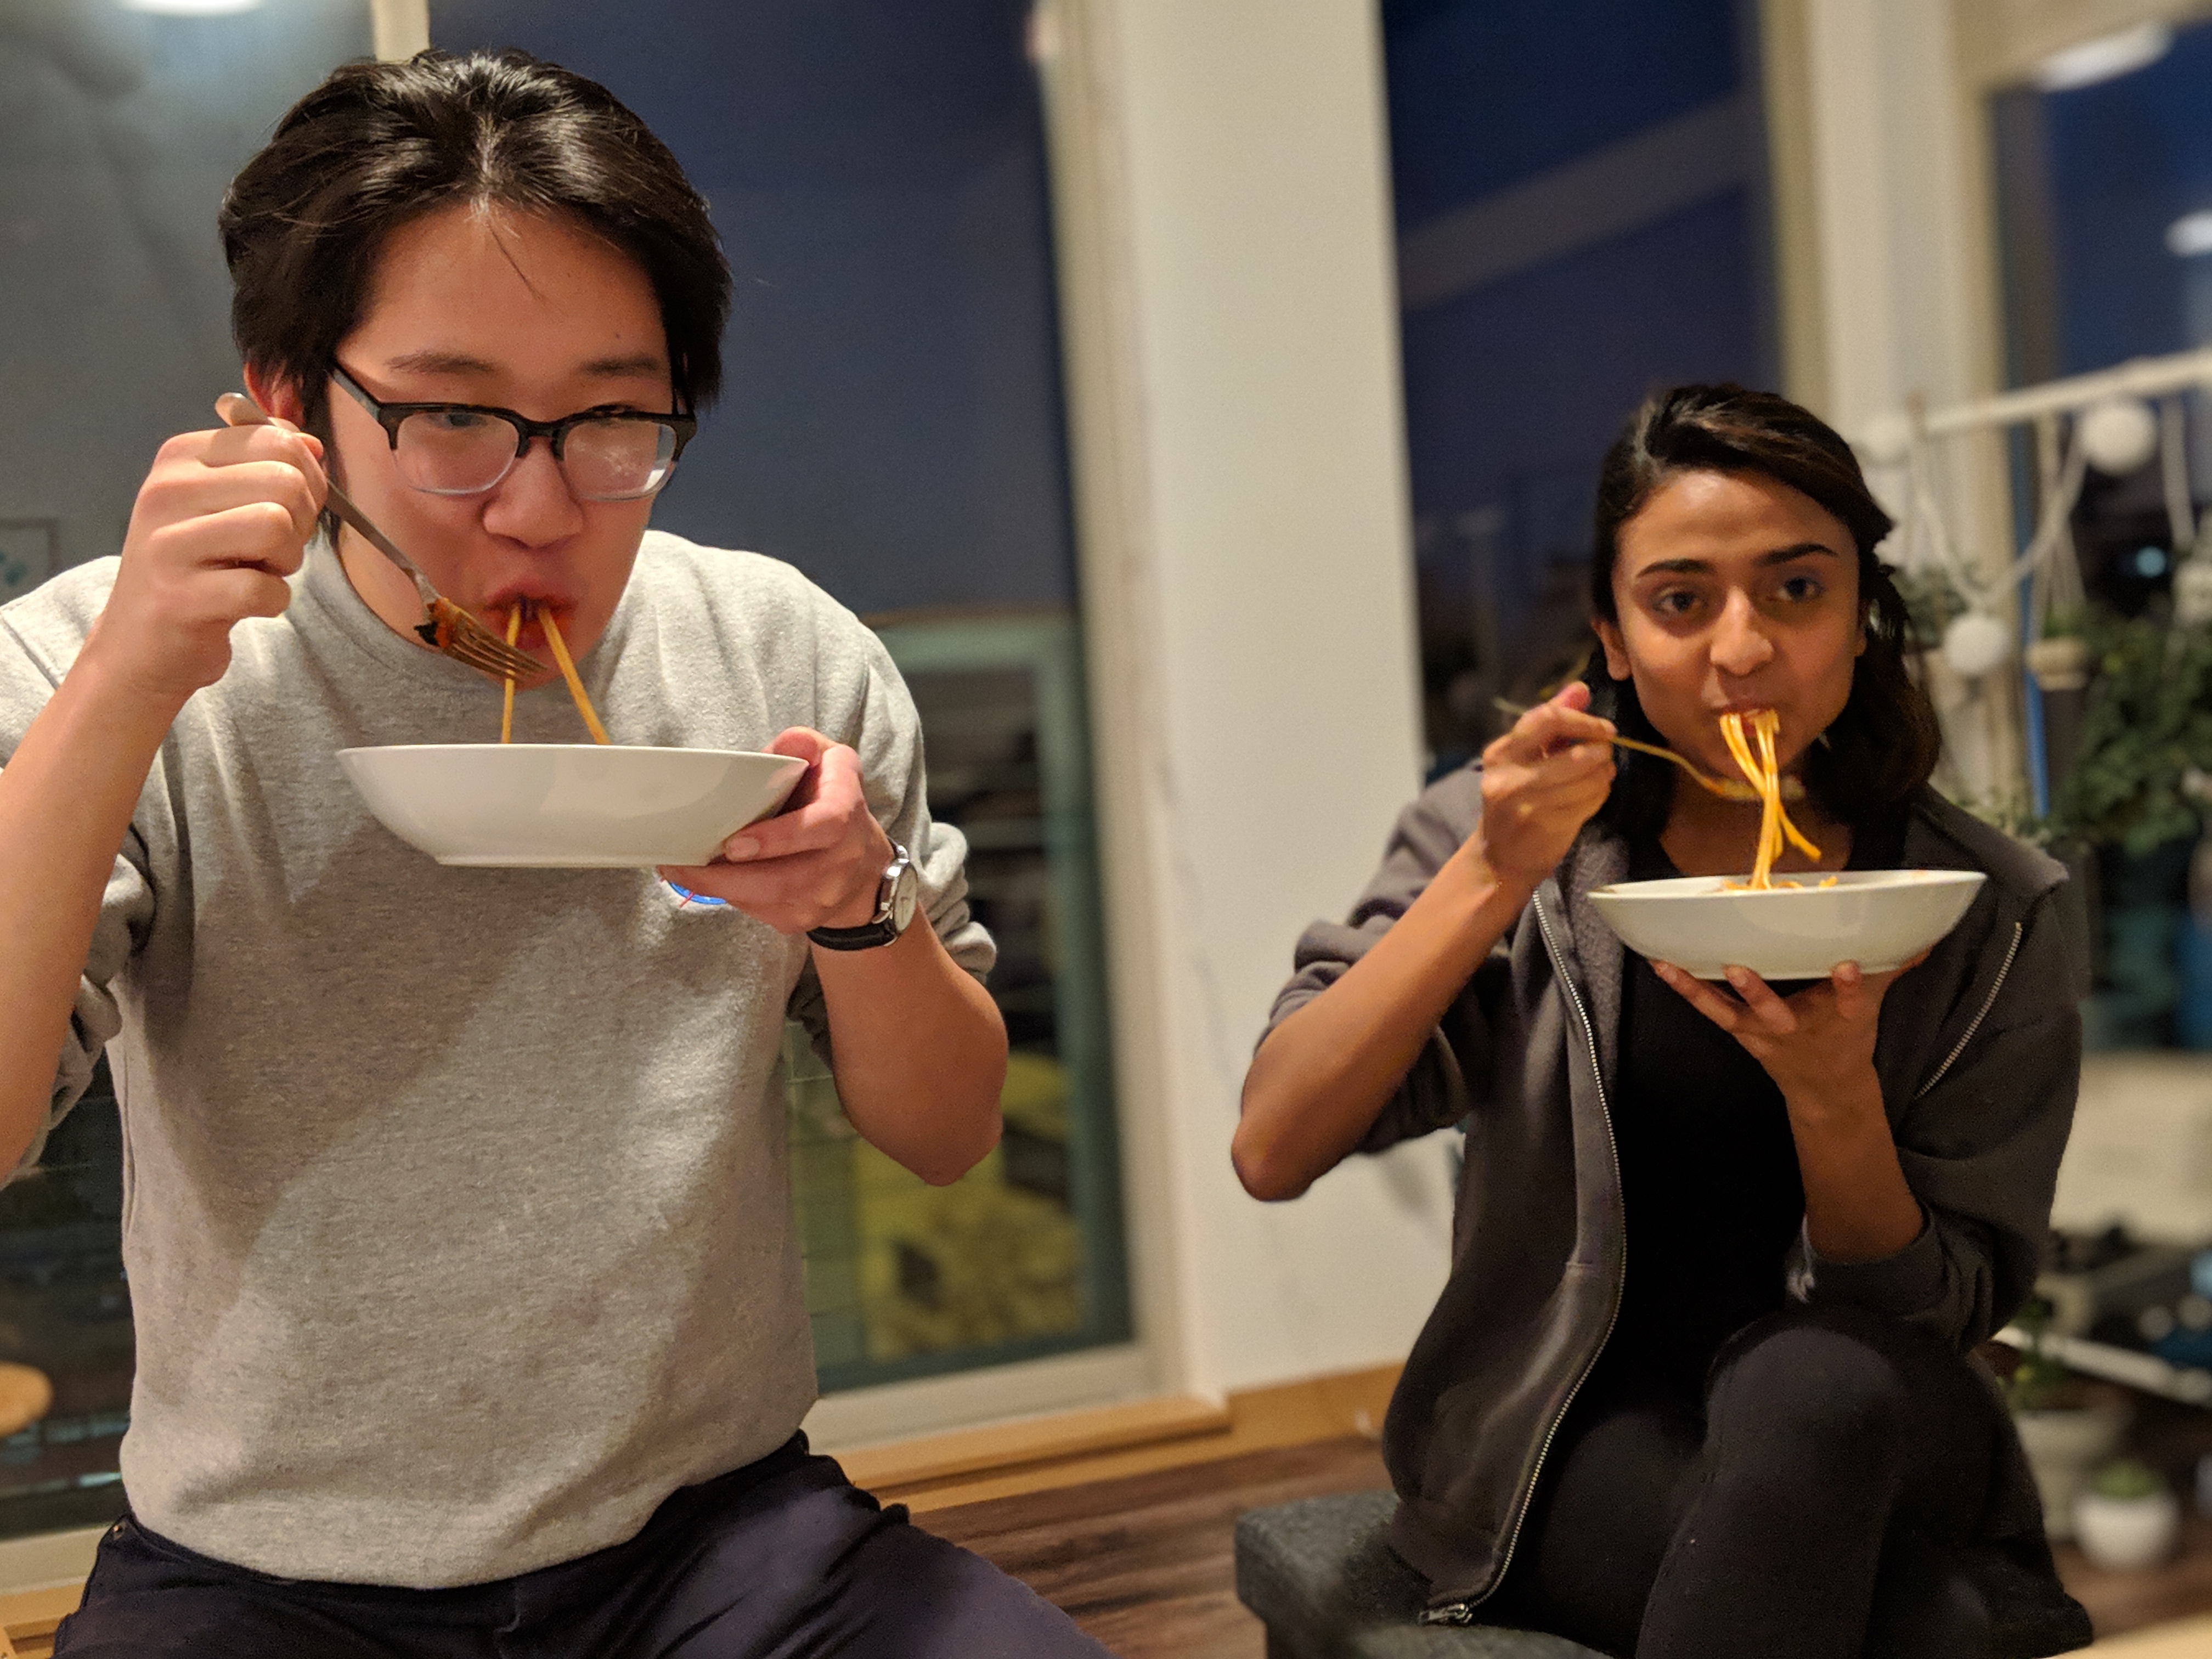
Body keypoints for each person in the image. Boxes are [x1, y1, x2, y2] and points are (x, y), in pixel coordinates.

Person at [0, 49, 1110, 1658]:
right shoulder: (112, 659)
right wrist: (123, 697)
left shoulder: (778, 654)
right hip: (263, 1571)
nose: (538, 506)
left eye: (611, 421)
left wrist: (859, 916)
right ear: (292, 401)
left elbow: (944, 1138)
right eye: (454, 416)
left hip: (724, 1535)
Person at [1235, 385, 2094, 1659]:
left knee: (1813, 1379)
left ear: (1861, 614)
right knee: (1929, 1630)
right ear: (1616, 637)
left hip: (1883, 1407)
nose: (1741, 648)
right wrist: (1490, 871)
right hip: (1580, 1425)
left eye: (1796, 589)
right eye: (1682, 601)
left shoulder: (1992, 913)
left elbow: (1938, 1309)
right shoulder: (1515, 847)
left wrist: (1832, 1095)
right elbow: (1277, 1144)